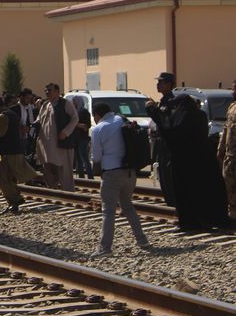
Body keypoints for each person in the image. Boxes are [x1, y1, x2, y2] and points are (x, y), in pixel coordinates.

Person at [148, 78, 230, 230]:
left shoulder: (181, 119)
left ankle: (191, 222)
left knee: (187, 193)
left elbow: (169, 131)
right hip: (204, 161)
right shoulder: (200, 116)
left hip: (184, 162)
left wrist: (153, 111)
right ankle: (210, 219)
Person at [89, 103, 149, 257]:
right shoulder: (122, 120)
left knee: (108, 211)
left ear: (97, 115)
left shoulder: (98, 129)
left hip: (111, 173)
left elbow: (96, 157)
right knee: (128, 206)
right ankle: (142, 240)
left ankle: (105, 248)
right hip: (130, 172)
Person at [0, 95, 37, 214]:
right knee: (10, 179)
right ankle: (13, 204)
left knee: (0, 178)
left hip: (7, 153)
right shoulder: (13, 115)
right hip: (15, 151)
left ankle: (16, 199)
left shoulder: (4, 116)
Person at [35, 83, 79, 191]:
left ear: (57, 92)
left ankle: (68, 193)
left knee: (64, 170)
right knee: (47, 169)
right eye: (46, 90)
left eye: (49, 90)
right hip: (46, 145)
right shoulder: (45, 105)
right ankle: (54, 192)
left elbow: (75, 119)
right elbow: (39, 119)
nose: (47, 92)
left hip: (61, 144)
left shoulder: (65, 103)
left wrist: (65, 132)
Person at [146, 72, 177, 206]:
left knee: (167, 174)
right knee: (162, 173)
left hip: (167, 144)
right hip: (160, 142)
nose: (158, 85)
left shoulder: (171, 102)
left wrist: (152, 110)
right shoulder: (164, 101)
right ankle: (169, 200)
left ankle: (172, 201)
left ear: (169, 84)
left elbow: (165, 122)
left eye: (161, 82)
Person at [217, 79, 236, 221]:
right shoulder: (232, 107)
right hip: (230, 156)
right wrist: (220, 148)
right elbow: (225, 128)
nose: (233, 92)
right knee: (229, 186)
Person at [73, 105, 94, 179]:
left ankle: (90, 176)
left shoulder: (84, 112)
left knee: (84, 157)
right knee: (78, 158)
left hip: (83, 138)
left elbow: (87, 126)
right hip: (76, 137)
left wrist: (76, 124)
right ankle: (81, 176)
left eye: (75, 102)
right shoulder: (76, 111)